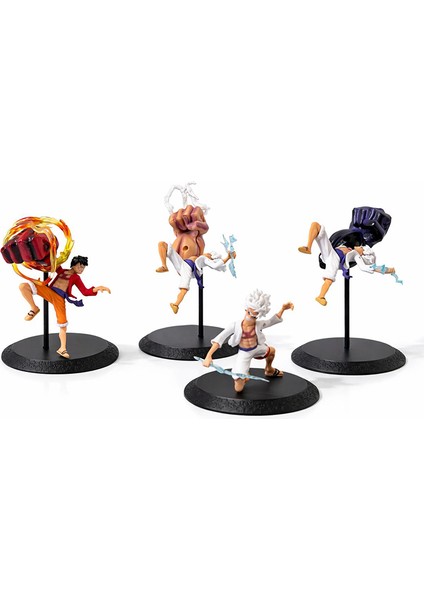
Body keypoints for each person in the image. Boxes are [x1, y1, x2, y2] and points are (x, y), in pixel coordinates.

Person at [18, 255, 111, 358]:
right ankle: (34, 308)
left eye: (83, 267)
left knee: (62, 323)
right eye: (80, 266)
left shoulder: (76, 278)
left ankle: (62, 348)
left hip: (59, 299)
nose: (81, 269)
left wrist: (97, 288)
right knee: (23, 286)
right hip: (49, 292)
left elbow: (85, 291)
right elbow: (54, 262)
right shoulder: (62, 271)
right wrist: (45, 254)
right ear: (74, 265)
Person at [203, 289, 294, 393]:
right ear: (246, 309)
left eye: (254, 315)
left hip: (257, 348)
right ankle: (244, 376)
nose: (249, 316)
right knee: (238, 389)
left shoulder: (258, 324)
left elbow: (271, 321)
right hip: (244, 353)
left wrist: (283, 309)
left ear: (258, 315)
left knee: (271, 351)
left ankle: (269, 369)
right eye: (249, 312)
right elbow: (219, 339)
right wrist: (208, 356)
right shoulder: (235, 325)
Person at [298, 221, 395, 306]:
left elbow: (368, 267)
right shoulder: (346, 244)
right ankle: (308, 247)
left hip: (335, 259)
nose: (361, 247)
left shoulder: (355, 255)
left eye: (363, 249)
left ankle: (321, 296)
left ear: (363, 254)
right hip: (331, 251)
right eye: (362, 247)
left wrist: (389, 270)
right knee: (316, 225)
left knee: (329, 279)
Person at [156, 241, 236, 313]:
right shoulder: (199, 257)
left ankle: (176, 304)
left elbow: (215, 265)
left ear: (211, 258)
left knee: (184, 288)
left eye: (209, 254)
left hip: (187, 269)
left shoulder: (205, 259)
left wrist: (228, 257)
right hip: (182, 263)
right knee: (162, 244)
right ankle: (164, 266)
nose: (207, 253)